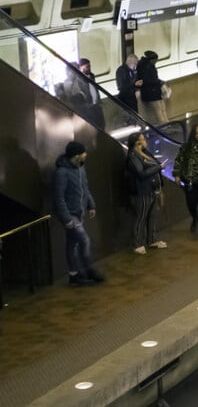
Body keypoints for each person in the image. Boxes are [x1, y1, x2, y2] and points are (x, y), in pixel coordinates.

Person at [51, 141, 104, 286]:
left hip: (79, 212)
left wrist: (90, 204)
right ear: (76, 155)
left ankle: (74, 275)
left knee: (72, 244)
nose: (86, 154)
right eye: (83, 153)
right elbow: (59, 198)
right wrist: (66, 218)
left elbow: (85, 188)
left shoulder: (80, 169)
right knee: (84, 240)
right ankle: (89, 269)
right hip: (71, 215)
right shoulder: (62, 173)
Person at [125, 132, 167, 254]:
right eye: (142, 139)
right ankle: (137, 243)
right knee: (141, 218)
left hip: (152, 190)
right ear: (137, 142)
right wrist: (159, 167)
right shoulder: (133, 156)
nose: (145, 141)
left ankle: (152, 240)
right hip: (142, 192)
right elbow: (141, 173)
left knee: (152, 216)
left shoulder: (145, 153)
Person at [62, 58, 105, 129]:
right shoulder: (70, 82)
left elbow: (93, 90)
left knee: (101, 125)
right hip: (86, 109)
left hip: (96, 106)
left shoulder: (89, 77)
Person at [136, 50, 168, 124]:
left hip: (154, 91)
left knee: (162, 108)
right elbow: (146, 80)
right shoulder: (144, 66)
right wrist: (158, 82)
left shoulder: (148, 65)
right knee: (158, 109)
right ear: (151, 59)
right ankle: (163, 124)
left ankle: (166, 123)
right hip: (150, 92)